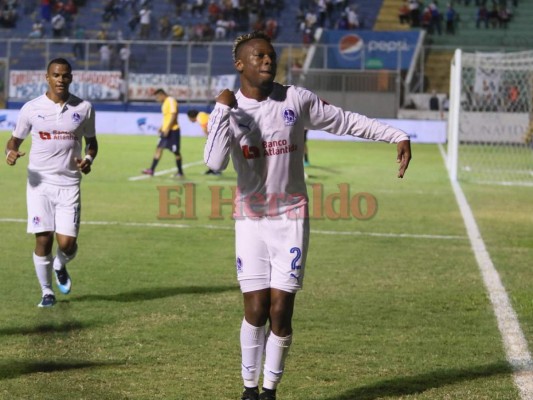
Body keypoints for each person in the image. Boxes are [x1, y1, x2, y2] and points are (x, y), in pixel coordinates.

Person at [203, 31, 412, 400]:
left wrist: (394, 133)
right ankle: (249, 389)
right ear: (240, 64)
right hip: (250, 220)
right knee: (255, 307)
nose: (268, 61)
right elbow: (214, 162)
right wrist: (221, 109)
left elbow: (345, 120)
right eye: (259, 57)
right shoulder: (231, 109)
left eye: (271, 56)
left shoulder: (295, 99)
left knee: (280, 310)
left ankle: (270, 389)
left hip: (290, 218)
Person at [5, 58, 98, 307]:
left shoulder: (84, 108)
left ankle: (60, 264)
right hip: (39, 184)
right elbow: (14, 140)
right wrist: (10, 152)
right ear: (47, 77)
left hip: (69, 184)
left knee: (67, 244)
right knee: (43, 238)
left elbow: (92, 142)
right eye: (56, 75)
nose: (60, 79)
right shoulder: (31, 108)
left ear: (71, 78)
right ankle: (47, 291)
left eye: (65, 75)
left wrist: (88, 158)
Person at [142, 88, 184, 178]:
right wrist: (161, 127)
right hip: (165, 131)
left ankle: (180, 172)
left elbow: (174, 115)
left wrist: (168, 128)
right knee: (158, 148)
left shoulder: (171, 100)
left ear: (162, 95)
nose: (157, 99)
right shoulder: (164, 103)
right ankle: (151, 170)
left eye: (157, 97)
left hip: (173, 130)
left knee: (176, 152)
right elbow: (166, 118)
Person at [187, 109, 219, 175]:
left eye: (189, 118)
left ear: (191, 116)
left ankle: (215, 170)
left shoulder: (200, 117)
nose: (189, 120)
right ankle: (212, 169)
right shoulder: (202, 115)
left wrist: (209, 139)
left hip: (216, 136)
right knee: (212, 153)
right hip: (216, 134)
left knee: (213, 153)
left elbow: (205, 129)